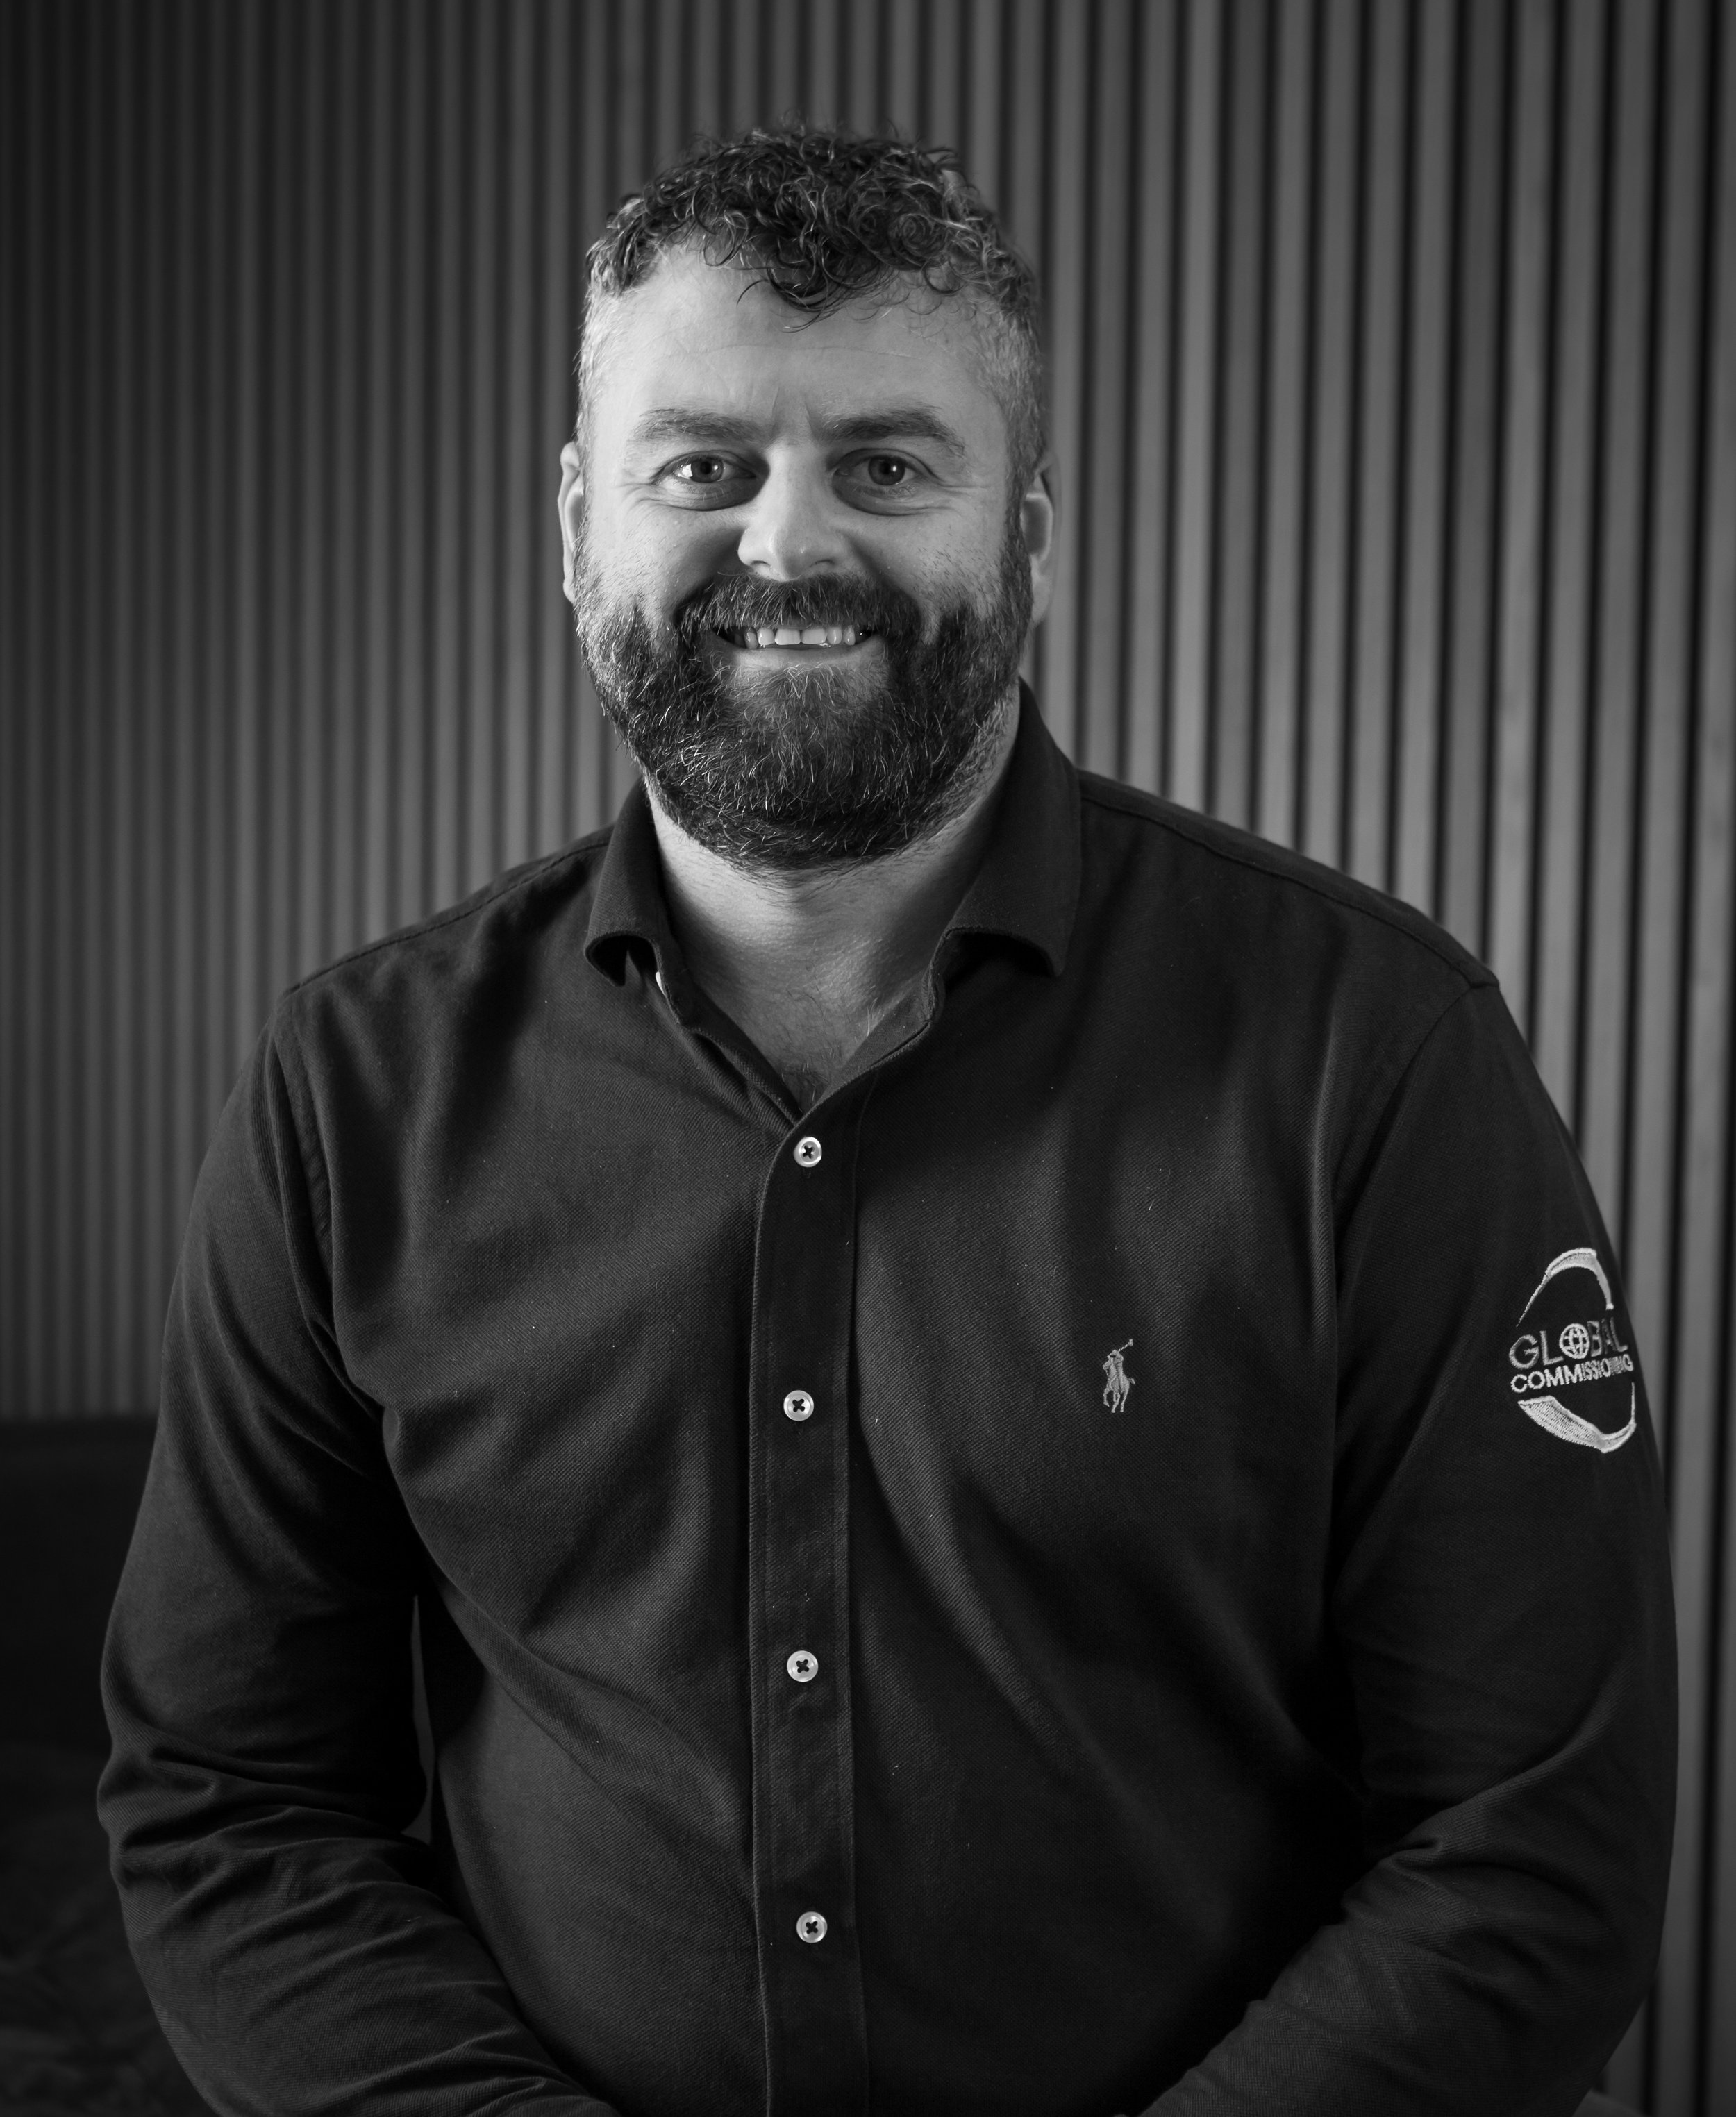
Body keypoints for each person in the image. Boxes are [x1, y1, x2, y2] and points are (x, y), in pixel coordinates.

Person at [100, 126, 1674, 2117]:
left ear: (1027, 538)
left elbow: (1529, 1839)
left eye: (887, 466)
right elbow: (232, 1807)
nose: (788, 545)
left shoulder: (1378, 1055)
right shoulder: (353, 1093)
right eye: (702, 467)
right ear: (578, 526)